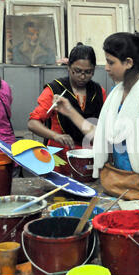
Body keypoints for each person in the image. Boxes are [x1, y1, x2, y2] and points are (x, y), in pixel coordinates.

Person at [52, 32, 139, 208]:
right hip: (124, 184)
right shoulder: (116, 94)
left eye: (111, 62)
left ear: (128, 63)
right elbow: (101, 136)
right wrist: (69, 111)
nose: (106, 67)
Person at [27, 42, 106, 176]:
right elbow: (32, 123)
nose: (82, 76)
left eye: (88, 72)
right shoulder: (55, 90)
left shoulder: (99, 92)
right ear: (68, 67)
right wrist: (56, 136)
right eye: (77, 71)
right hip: (60, 154)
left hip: (89, 154)